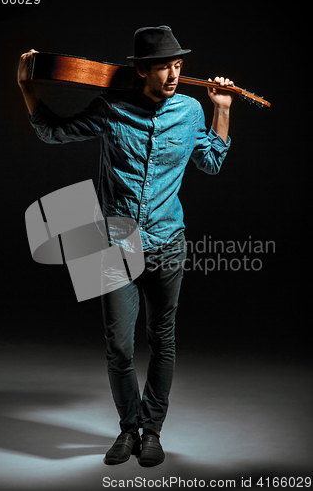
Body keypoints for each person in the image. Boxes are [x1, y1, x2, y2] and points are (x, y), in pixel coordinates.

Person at [18, 25, 234, 467]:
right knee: (118, 344)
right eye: (162, 66)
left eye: (177, 64)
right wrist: (26, 85)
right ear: (141, 71)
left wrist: (223, 110)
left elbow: (211, 161)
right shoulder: (111, 107)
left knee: (163, 339)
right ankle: (128, 427)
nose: (173, 74)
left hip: (169, 243)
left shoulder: (192, 110)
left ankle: (152, 430)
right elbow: (54, 132)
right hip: (108, 240)